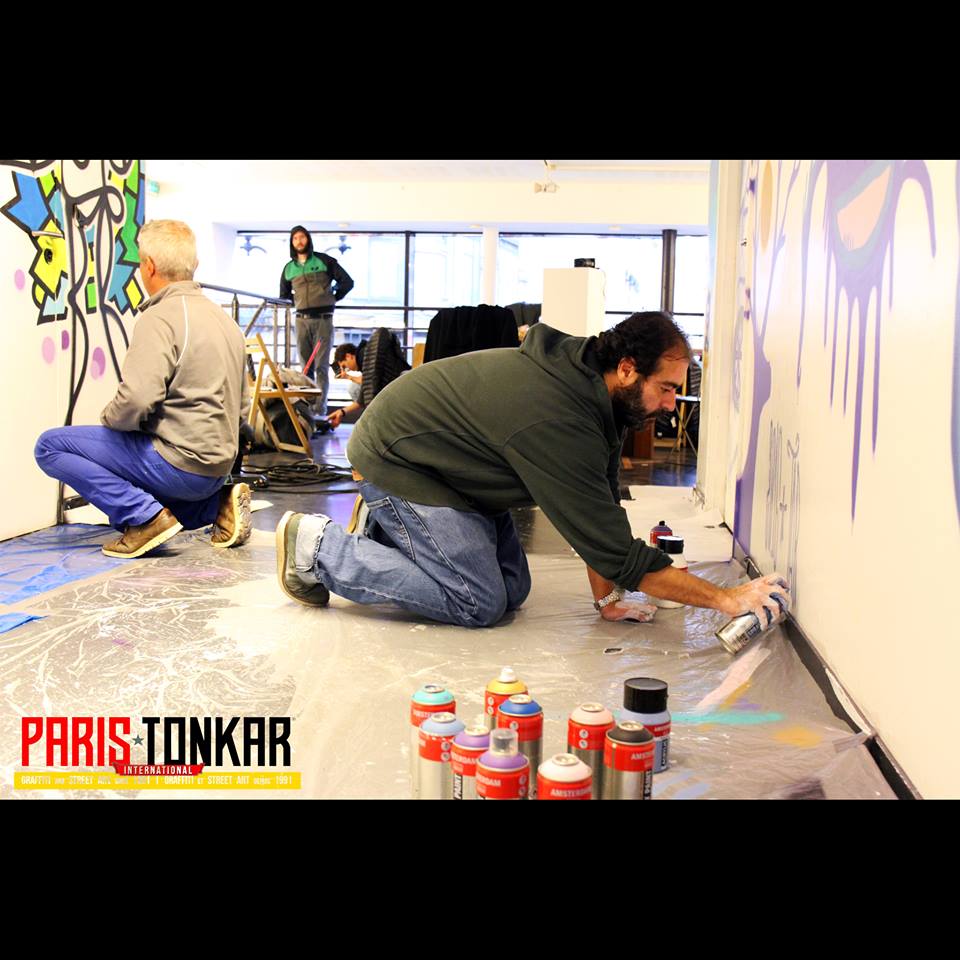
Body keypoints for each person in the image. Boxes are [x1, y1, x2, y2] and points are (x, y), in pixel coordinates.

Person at [274, 311, 789, 628]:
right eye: (667, 388)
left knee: (512, 591)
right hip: (399, 460)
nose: (673, 405)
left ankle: (388, 534)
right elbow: (616, 551)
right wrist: (726, 599)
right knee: (477, 601)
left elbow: (600, 511)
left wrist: (608, 598)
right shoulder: (562, 418)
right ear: (628, 369)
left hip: (453, 468)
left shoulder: (597, 393)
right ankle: (317, 547)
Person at [34, 220, 252, 559]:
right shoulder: (225, 320)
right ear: (193, 264)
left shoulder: (160, 317)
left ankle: (145, 519)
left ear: (148, 266)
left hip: (179, 465)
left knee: (50, 446)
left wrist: (110, 422)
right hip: (215, 470)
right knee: (136, 492)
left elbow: (136, 400)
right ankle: (216, 506)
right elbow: (242, 408)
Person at [279, 226, 354, 416]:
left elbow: (347, 282)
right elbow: (284, 295)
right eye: (295, 238)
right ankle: (307, 412)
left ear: (308, 239)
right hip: (301, 321)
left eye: (302, 237)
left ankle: (319, 411)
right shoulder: (289, 268)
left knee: (321, 366)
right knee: (305, 368)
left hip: (323, 320)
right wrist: (298, 301)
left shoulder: (324, 261)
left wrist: (333, 297)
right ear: (292, 242)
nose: (299, 241)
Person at [326, 342, 364, 428]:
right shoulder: (363, 358)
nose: (347, 369)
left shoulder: (365, 358)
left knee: (353, 388)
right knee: (354, 387)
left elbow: (366, 381)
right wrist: (342, 412)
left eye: (344, 366)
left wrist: (348, 377)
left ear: (348, 356)